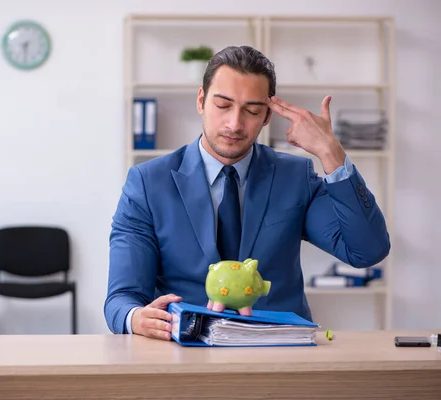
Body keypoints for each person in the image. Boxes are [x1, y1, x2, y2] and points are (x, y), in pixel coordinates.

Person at [104, 45, 390, 340]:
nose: (235, 124)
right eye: (223, 105)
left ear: (267, 116)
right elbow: (121, 299)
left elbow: (367, 251)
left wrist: (331, 153)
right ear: (201, 101)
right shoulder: (148, 183)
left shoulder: (295, 177)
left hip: (277, 352)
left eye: (252, 111)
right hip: (183, 352)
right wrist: (136, 317)